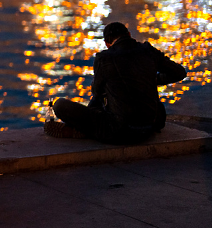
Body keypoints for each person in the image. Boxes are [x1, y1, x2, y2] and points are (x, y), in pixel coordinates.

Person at [46, 21, 187, 144]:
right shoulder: (148, 50)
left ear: (107, 43)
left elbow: (97, 92)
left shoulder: (104, 58)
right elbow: (180, 73)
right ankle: (89, 128)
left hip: (119, 131)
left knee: (59, 105)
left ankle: (84, 130)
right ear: (129, 35)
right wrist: (154, 80)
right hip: (151, 126)